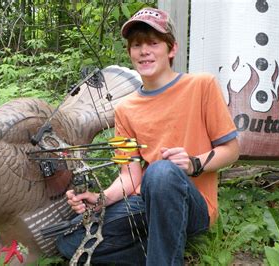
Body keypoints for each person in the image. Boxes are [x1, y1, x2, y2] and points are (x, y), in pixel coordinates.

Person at [56, 7, 240, 265]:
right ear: (130, 53)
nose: (144, 51)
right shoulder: (124, 109)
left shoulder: (201, 85)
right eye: (136, 45)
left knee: (161, 172)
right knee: (71, 239)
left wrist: (193, 163)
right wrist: (100, 200)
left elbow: (231, 150)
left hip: (192, 205)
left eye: (153, 43)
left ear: (171, 49)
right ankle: (164, 244)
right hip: (144, 204)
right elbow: (129, 176)